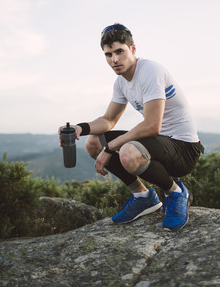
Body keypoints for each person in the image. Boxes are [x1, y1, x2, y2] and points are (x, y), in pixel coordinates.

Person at [58, 23, 204, 231]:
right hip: (159, 144)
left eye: (119, 51)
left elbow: (152, 126)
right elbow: (109, 120)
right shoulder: (121, 83)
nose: (114, 59)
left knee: (127, 152)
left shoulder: (150, 71)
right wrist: (80, 128)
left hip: (184, 149)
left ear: (133, 49)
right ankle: (143, 197)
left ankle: (176, 192)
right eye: (108, 55)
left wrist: (110, 149)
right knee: (93, 142)